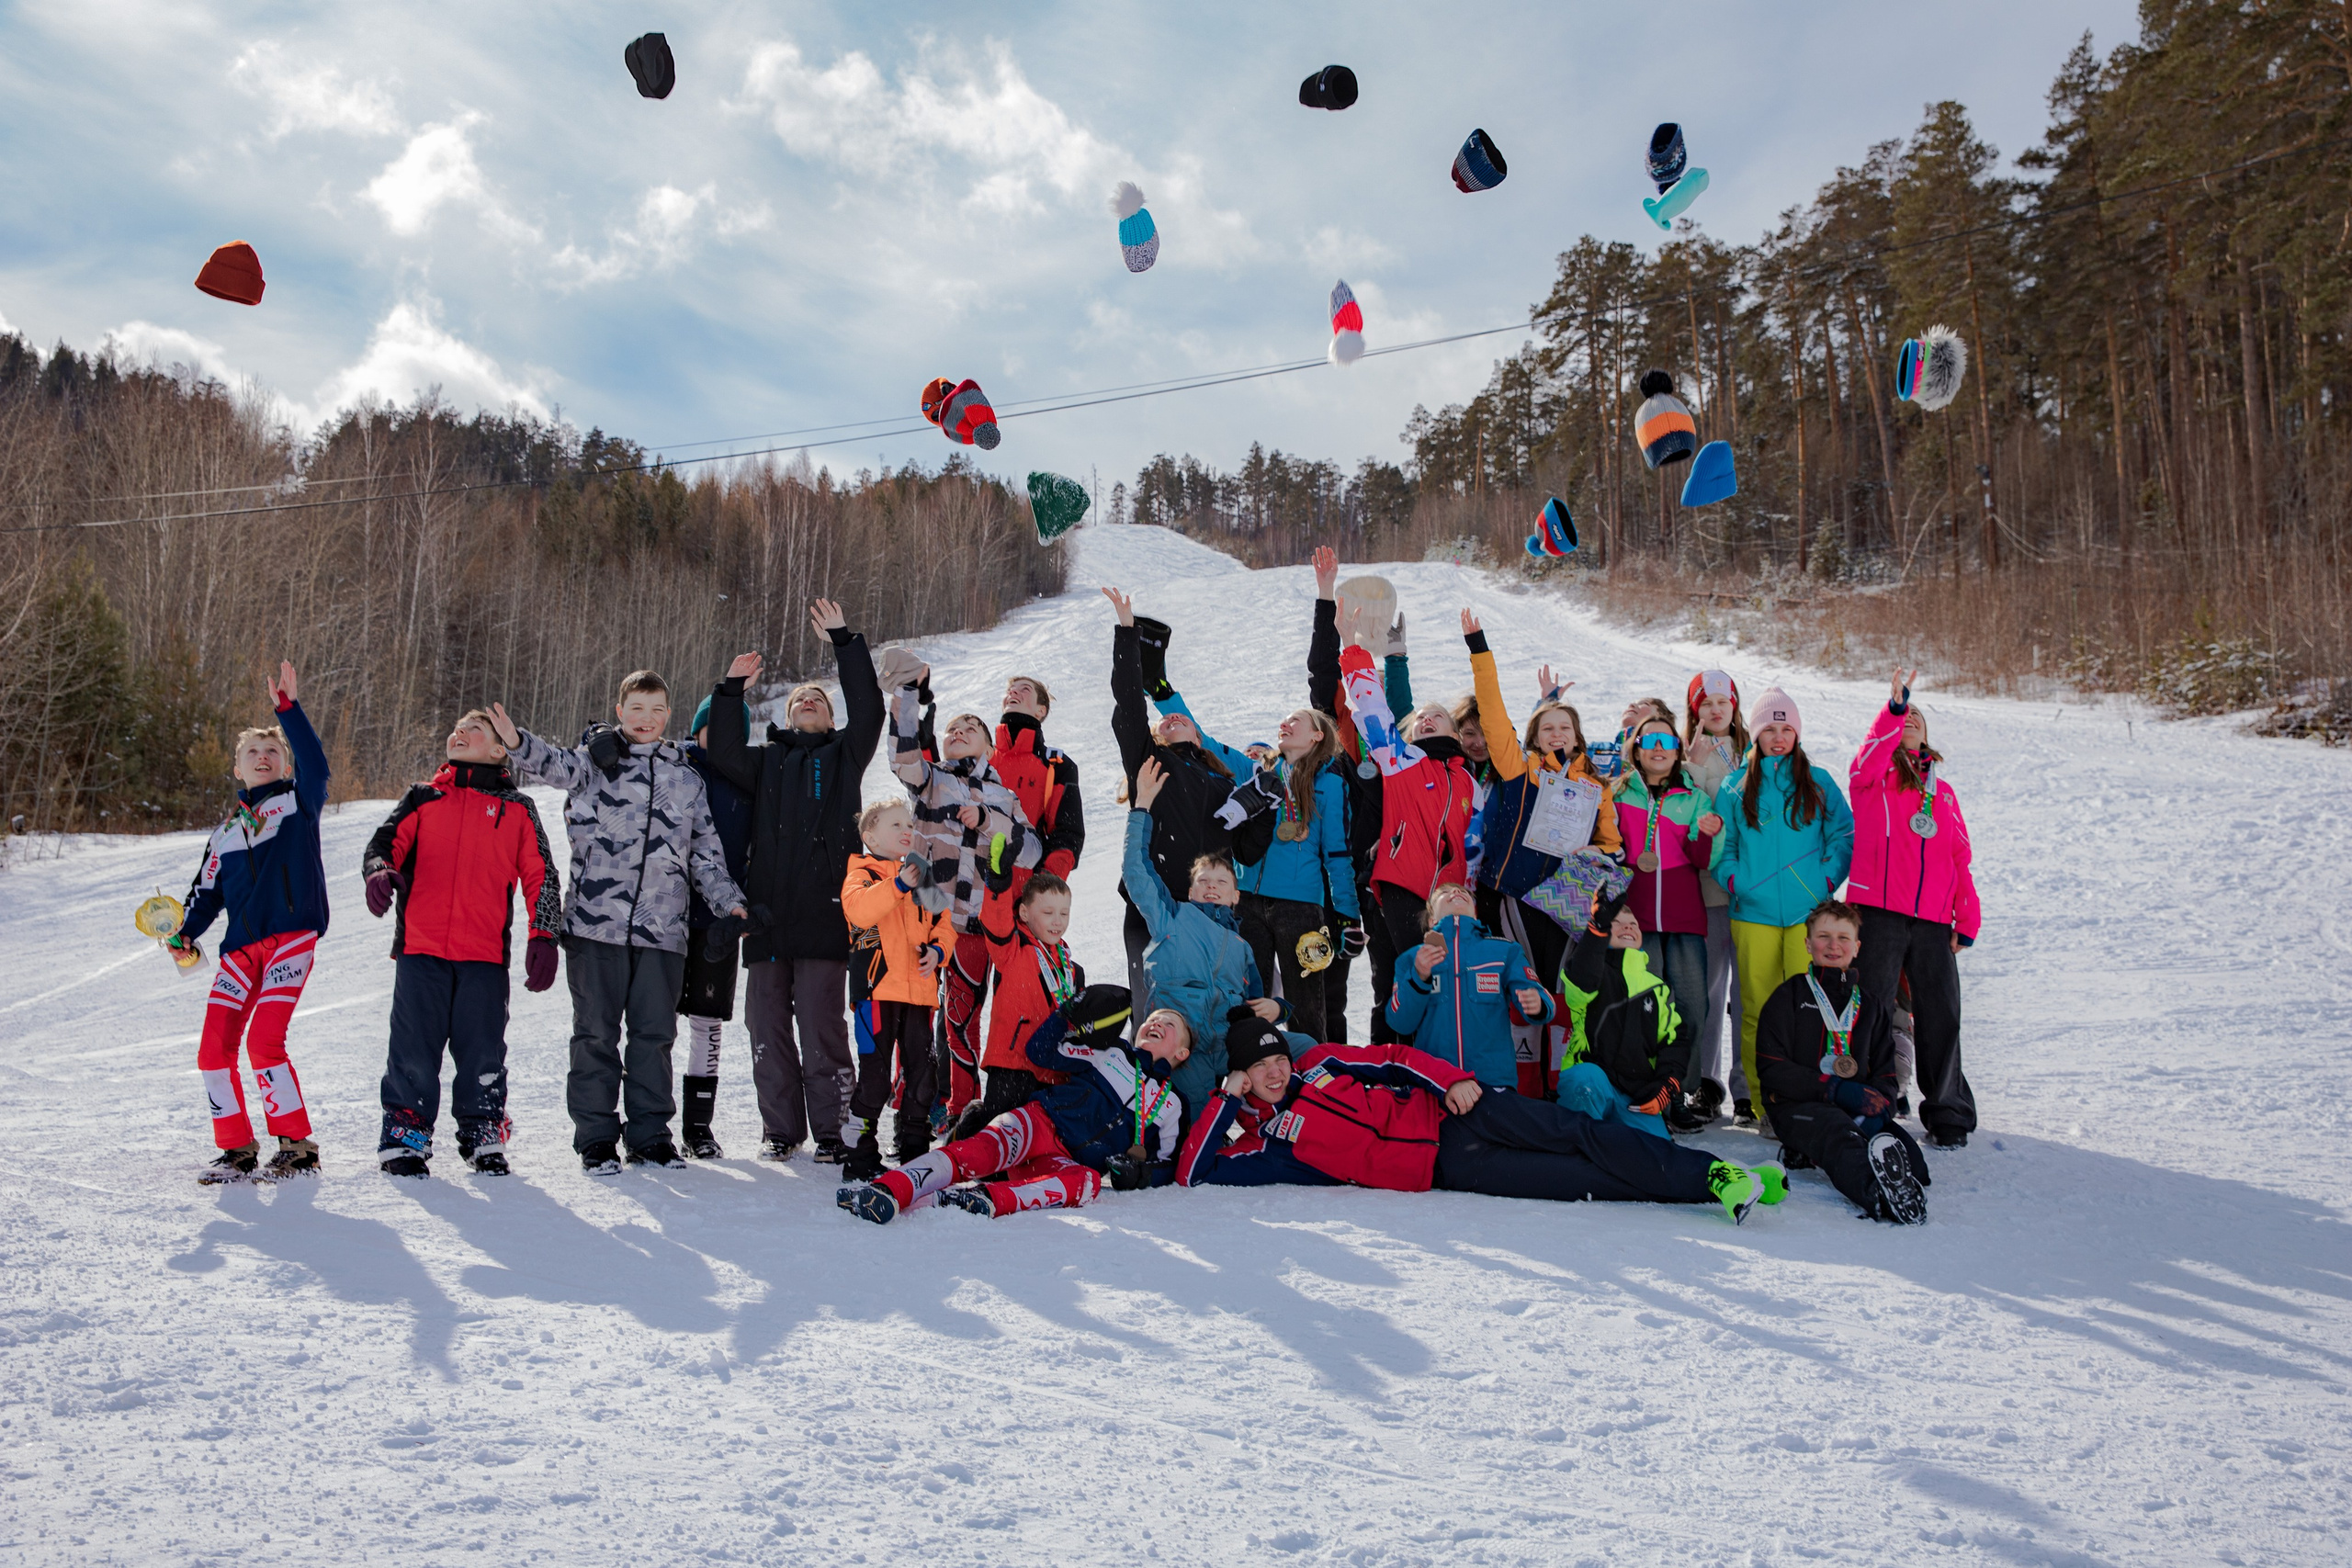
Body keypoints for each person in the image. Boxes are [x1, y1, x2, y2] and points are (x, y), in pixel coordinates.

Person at [1177, 1014, 1781, 1224]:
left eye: (1278, 1059)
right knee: (1578, 1178)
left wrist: (1451, 1081)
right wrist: (1225, 1102)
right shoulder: (1264, 1144)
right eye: (1260, 1067)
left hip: (1456, 1110)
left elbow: (1392, 1059)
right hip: (1446, 1167)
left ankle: (1715, 1175)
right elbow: (1192, 1172)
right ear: (1242, 1077)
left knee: (1577, 1132)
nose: (1276, 1072)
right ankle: (1715, 1184)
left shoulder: (1317, 1064)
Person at [494, 672, 747, 1173]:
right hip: (595, 924)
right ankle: (596, 1139)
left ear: (668, 715)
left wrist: (731, 903)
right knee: (595, 1035)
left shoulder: (686, 780)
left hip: (663, 930)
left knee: (654, 1037)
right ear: (620, 711)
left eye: (655, 710)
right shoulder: (594, 763)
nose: (646, 719)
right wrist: (517, 742)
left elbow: (704, 854)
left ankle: (650, 1137)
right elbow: (553, 764)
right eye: (636, 708)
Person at [703, 599, 886, 1163]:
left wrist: (844, 643)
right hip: (768, 919)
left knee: (822, 1026)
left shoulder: (846, 754)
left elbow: (870, 709)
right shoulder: (765, 761)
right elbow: (722, 750)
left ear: (830, 719)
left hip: (827, 917)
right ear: (785, 717)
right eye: (800, 699)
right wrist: (730, 690)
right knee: (766, 1029)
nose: (809, 701)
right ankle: (779, 1130)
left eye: (819, 700)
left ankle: (832, 1130)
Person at [362, 707, 563, 1178]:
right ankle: (405, 1135)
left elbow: (542, 875)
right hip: (421, 950)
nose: (460, 733)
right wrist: (378, 873)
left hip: (484, 957)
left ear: (498, 751)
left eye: (474, 729)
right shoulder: (423, 797)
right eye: (457, 728)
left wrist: (544, 934)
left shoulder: (518, 809)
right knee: (413, 1048)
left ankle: (483, 1132)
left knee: (483, 1051)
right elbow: (383, 845)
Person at [170, 661, 333, 1183]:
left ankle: (297, 1147)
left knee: (264, 1039)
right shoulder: (224, 834)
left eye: (272, 751)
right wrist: (183, 934)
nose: (263, 756)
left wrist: (288, 711)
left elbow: (316, 765)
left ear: (283, 764)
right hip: (240, 949)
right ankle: (236, 1149)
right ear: (237, 769)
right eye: (252, 753)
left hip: (290, 938)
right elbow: (205, 895)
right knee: (212, 1048)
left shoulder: (298, 803)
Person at [840, 988, 1184, 1224]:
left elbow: (1169, 1163)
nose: (1156, 1023)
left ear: (1182, 1053)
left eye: (1169, 1024)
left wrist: (1141, 1174)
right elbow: (1040, 1052)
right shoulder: (1111, 1053)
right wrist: (1067, 1014)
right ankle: (890, 1188)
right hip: (1039, 1124)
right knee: (979, 1152)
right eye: (1152, 1019)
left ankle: (985, 1199)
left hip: (1066, 1161)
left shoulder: (1172, 1105)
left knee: (1087, 1183)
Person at [1462, 612, 1620, 1089]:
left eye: (1564, 727)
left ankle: (1561, 1084)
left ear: (1577, 736)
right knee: (1523, 987)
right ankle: (1521, 1085)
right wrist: (1479, 649)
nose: (1556, 734)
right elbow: (1493, 715)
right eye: (1547, 727)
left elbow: (1610, 844)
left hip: (1567, 904)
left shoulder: (1594, 786)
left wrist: (1597, 860)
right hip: (1518, 896)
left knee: (1563, 993)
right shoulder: (1520, 768)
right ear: (1534, 736)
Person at [941, 674, 1085, 1130]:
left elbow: (1067, 835)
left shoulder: (1056, 763)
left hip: (1022, 913)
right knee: (959, 1010)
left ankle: (1017, 1104)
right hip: (967, 905)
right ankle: (957, 1108)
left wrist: (1042, 894)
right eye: (1010, 687)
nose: (1014, 691)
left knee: (1021, 1012)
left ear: (1042, 709)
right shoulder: (980, 755)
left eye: (1026, 689)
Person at [1334, 595, 1481, 1041]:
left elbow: (1476, 842)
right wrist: (1351, 648)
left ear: (1456, 733)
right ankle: (1390, 1062)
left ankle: (1442, 1062)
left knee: (1446, 983)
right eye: (1421, 719)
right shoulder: (1399, 759)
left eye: (1438, 717)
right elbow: (1373, 709)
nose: (1427, 720)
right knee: (1403, 978)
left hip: (1450, 895)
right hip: (1401, 884)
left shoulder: (1469, 781)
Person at [1847, 670, 1980, 1148]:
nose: (1910, 722)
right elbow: (1867, 757)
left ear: (1927, 735)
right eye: (1905, 718)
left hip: (1932, 919)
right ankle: (1872, 1100)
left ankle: (1948, 1111)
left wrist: (1967, 914)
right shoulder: (1871, 779)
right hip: (1878, 911)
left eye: (1917, 719)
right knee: (1873, 1009)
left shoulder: (1943, 792)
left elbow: (1959, 856)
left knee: (1941, 1012)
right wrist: (1895, 708)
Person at [1709, 687, 1853, 1127]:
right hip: (1753, 914)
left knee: (1808, 1010)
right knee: (1756, 1009)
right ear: (1755, 734)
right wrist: (1737, 882)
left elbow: (1843, 835)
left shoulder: (1819, 781)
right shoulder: (1736, 786)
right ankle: (1763, 1103)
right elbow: (1722, 847)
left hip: (1806, 918)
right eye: (1770, 730)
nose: (1778, 737)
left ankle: (1805, 1100)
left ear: (1797, 734)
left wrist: (1824, 881)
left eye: (1786, 729)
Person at [1104, 585, 1250, 1012]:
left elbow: (1249, 847)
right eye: (1164, 720)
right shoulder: (1150, 759)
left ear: (1199, 735)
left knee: (1214, 1010)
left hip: (1208, 908)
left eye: (1182, 718)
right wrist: (1127, 634)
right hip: (1152, 902)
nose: (1171, 717)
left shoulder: (1224, 782)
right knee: (1154, 1009)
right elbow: (1129, 703)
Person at [1125, 757, 1289, 1117]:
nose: (1212, 887)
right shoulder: (1172, 916)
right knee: (1193, 1108)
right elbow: (1137, 872)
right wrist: (1142, 808)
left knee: (1303, 1047)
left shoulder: (1242, 948)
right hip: (1185, 1043)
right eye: (1204, 881)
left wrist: (1280, 1009)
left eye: (1221, 882)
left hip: (1226, 1044)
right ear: (1191, 891)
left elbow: (1256, 1006)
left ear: (1235, 895)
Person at [1754, 901, 1930, 1223]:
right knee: (1839, 1134)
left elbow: (1886, 1073)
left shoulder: (1871, 1005)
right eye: (1824, 936)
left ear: (1857, 947)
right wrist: (1834, 1089)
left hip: (1856, 1108)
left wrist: (1881, 1108)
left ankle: (1814, 1153)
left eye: (1843, 938)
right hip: (1797, 1107)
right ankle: (1879, 1195)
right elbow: (1771, 1068)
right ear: (1808, 944)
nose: (1833, 945)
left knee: (1912, 1159)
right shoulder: (1788, 996)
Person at [1306, 547, 1417, 1042]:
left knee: (1389, 983)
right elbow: (1322, 676)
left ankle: (1389, 1065)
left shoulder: (1398, 752)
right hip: (1335, 876)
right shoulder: (1338, 733)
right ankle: (1325, 1065)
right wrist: (1326, 597)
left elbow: (1401, 712)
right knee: (1327, 986)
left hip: (1387, 874)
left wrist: (1396, 659)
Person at [1607, 709, 1721, 1129]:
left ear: (1677, 751)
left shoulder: (1694, 798)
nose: (1659, 748)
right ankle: (1644, 1090)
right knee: (1645, 1009)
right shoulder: (1617, 793)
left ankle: (1677, 1094)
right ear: (1635, 749)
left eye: (1668, 741)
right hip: (1635, 920)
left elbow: (1700, 860)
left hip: (1683, 918)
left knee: (1691, 1006)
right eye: (1650, 741)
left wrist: (1706, 833)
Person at [1229, 705, 1359, 1044]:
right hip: (1248, 901)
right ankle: (1253, 1066)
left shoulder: (1330, 783)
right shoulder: (1259, 775)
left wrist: (1348, 917)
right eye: (1283, 721)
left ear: (1317, 735)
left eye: (1295, 720)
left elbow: (1338, 855)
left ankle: (1312, 1072)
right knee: (1248, 1001)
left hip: (1300, 907)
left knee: (1305, 1007)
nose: (1284, 724)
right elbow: (1210, 746)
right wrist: (1165, 696)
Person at [839, 800, 953, 1180]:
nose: (906, 830)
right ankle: (859, 1154)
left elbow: (943, 923)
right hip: (876, 991)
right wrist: (899, 884)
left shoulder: (922, 875)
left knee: (923, 1074)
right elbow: (859, 911)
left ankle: (914, 1152)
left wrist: (938, 951)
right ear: (870, 837)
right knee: (875, 1076)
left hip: (919, 994)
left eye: (909, 824)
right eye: (896, 825)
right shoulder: (861, 873)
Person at [677, 693, 756, 1159]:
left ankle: (698, 1126)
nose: (723, 738)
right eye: (714, 727)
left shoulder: (749, 779)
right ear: (697, 729)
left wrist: (750, 905)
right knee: (652, 1020)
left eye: (733, 731)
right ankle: (647, 1120)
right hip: (666, 917)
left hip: (720, 921)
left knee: (707, 1022)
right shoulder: (674, 764)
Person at [1554, 889, 1693, 1140]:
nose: (1627, 927)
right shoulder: (1591, 971)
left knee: (1657, 1155)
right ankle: (1575, 1150)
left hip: (1636, 1096)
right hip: (1595, 1084)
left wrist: (1665, 1084)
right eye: (1616, 923)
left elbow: (1675, 1041)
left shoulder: (1657, 987)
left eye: (1633, 924)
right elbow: (1582, 979)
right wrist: (1597, 929)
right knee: (1584, 1079)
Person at [1385, 884, 1553, 1090]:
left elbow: (1540, 997)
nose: (1456, 892)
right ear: (1432, 920)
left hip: (1494, 1084)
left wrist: (1538, 1003)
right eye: (1445, 892)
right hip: (1434, 1085)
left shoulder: (1505, 950)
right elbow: (1400, 1023)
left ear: (1475, 914)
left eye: (1464, 892)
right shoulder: (1412, 959)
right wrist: (1418, 976)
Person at [956, 872, 1084, 1139]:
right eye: (1048, 912)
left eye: (1064, 913)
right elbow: (995, 921)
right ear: (1025, 913)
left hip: (1053, 1070)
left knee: (1037, 1141)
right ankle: (968, 1131)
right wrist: (998, 884)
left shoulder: (1071, 967)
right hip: (1012, 1065)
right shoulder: (1012, 949)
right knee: (998, 1137)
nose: (1058, 921)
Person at [1682, 669, 1749, 1122]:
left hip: (1750, 889)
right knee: (1707, 992)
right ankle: (1706, 1085)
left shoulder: (1755, 750)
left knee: (1747, 995)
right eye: (1706, 703)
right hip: (1708, 891)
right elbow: (1692, 815)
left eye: (1724, 702)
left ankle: (1747, 1089)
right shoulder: (1688, 753)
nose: (1716, 710)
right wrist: (1693, 767)